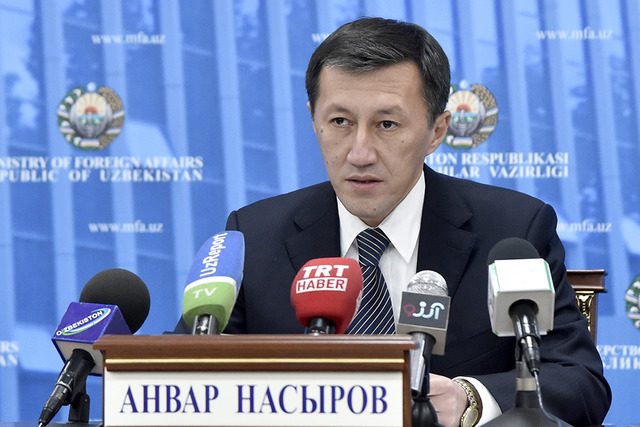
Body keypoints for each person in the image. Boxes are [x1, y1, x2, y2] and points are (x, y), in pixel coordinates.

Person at [175, 17, 610, 426]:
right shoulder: (255, 235)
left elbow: (578, 380)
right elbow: (181, 375)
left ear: (437, 130)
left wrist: (470, 400)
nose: (359, 153)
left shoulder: (513, 229)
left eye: (386, 124)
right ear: (313, 119)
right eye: (340, 121)